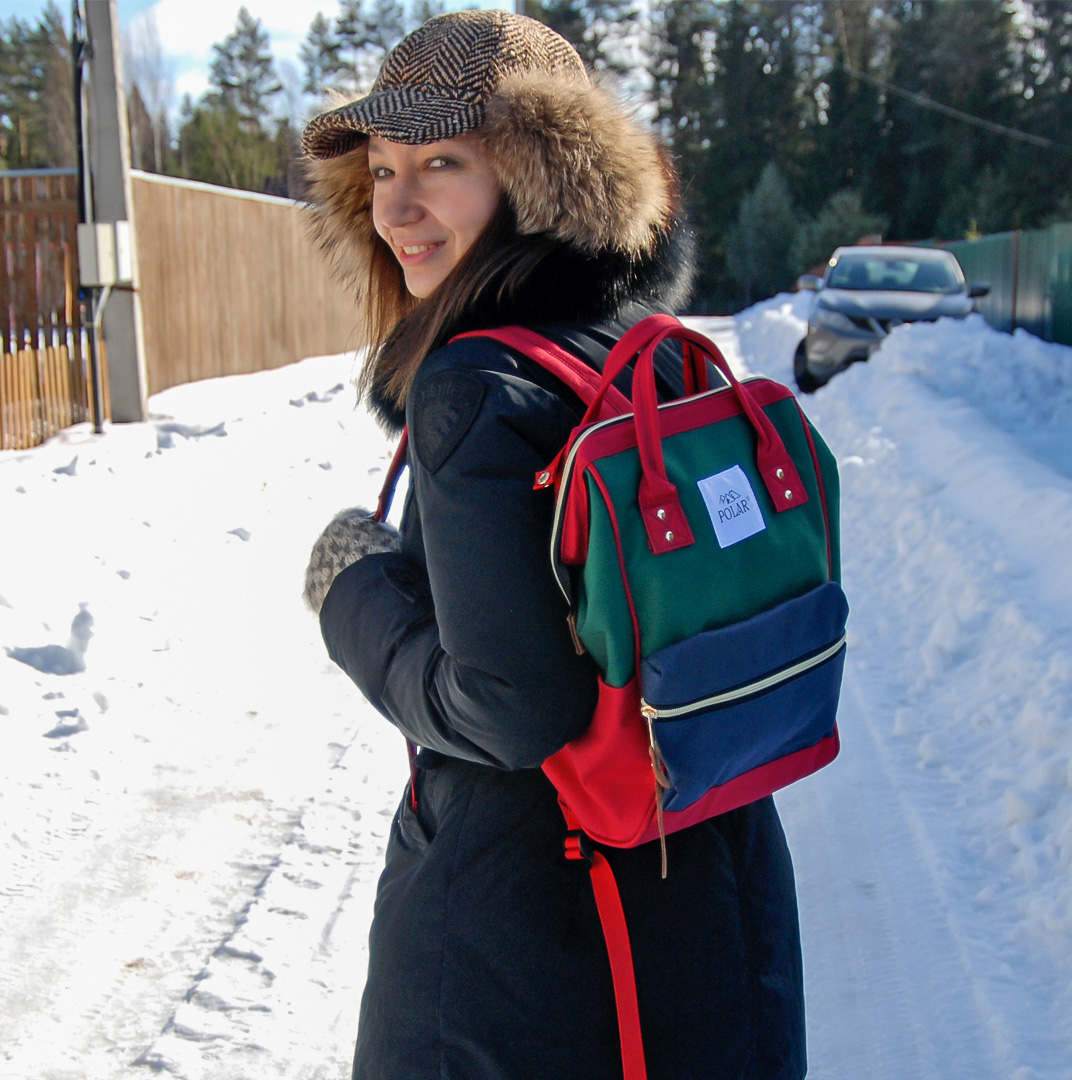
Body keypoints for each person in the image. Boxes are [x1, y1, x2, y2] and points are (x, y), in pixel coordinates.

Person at [300, 11, 807, 1080]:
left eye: (441, 162)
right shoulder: (648, 352)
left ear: (536, 175)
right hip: (710, 891)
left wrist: (355, 594)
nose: (396, 207)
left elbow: (511, 707)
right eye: (382, 170)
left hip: (527, 944)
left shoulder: (473, 385)